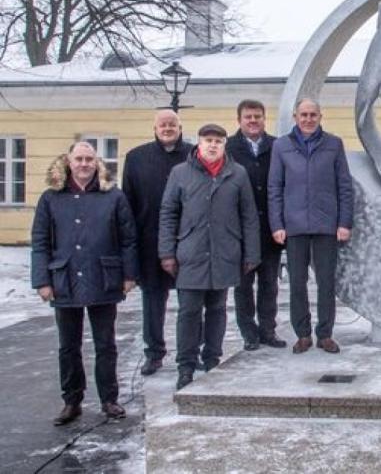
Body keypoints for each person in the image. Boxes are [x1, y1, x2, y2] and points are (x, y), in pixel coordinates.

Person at [31, 142, 139, 425]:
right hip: (64, 279)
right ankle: (71, 400)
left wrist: (129, 275)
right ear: (68, 161)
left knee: (106, 344)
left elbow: (128, 240)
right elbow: (40, 242)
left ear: (97, 163)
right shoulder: (51, 198)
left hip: (104, 279)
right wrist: (42, 281)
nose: (83, 164)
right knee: (68, 346)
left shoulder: (113, 196)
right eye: (78, 158)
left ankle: (109, 399)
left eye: (89, 159)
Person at [159, 124, 260, 390]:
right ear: (199, 143)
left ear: (224, 144)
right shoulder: (180, 173)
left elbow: (248, 216)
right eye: (208, 140)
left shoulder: (237, 174)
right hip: (190, 253)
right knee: (189, 312)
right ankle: (186, 366)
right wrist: (167, 252)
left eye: (218, 140)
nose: (213, 145)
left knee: (217, 310)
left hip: (225, 252)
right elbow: (168, 213)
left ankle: (212, 359)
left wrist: (251, 253)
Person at [268, 98, 353, 355]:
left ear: (320, 116)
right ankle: (303, 334)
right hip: (294, 227)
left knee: (326, 283)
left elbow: (344, 187)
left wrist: (344, 222)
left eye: (313, 115)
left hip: (327, 225)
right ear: (295, 116)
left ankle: (325, 334)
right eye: (303, 115)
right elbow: (275, 188)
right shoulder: (282, 146)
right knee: (297, 283)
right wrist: (277, 224)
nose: (308, 119)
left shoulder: (333, 144)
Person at [122, 109, 193, 376]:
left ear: (180, 126)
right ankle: (154, 353)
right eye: (162, 124)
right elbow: (127, 203)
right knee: (153, 301)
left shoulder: (193, 154)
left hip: (188, 239)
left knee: (190, 301)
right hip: (149, 240)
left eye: (172, 124)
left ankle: (189, 351)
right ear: (154, 127)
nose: (167, 128)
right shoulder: (136, 158)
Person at [226, 100, 287, 351]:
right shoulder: (229, 148)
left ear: (264, 119)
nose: (253, 121)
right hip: (240, 231)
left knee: (269, 285)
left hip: (270, 228)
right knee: (243, 286)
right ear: (239, 120)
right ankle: (249, 333)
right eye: (248, 117)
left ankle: (268, 330)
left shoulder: (277, 146)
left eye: (258, 117)